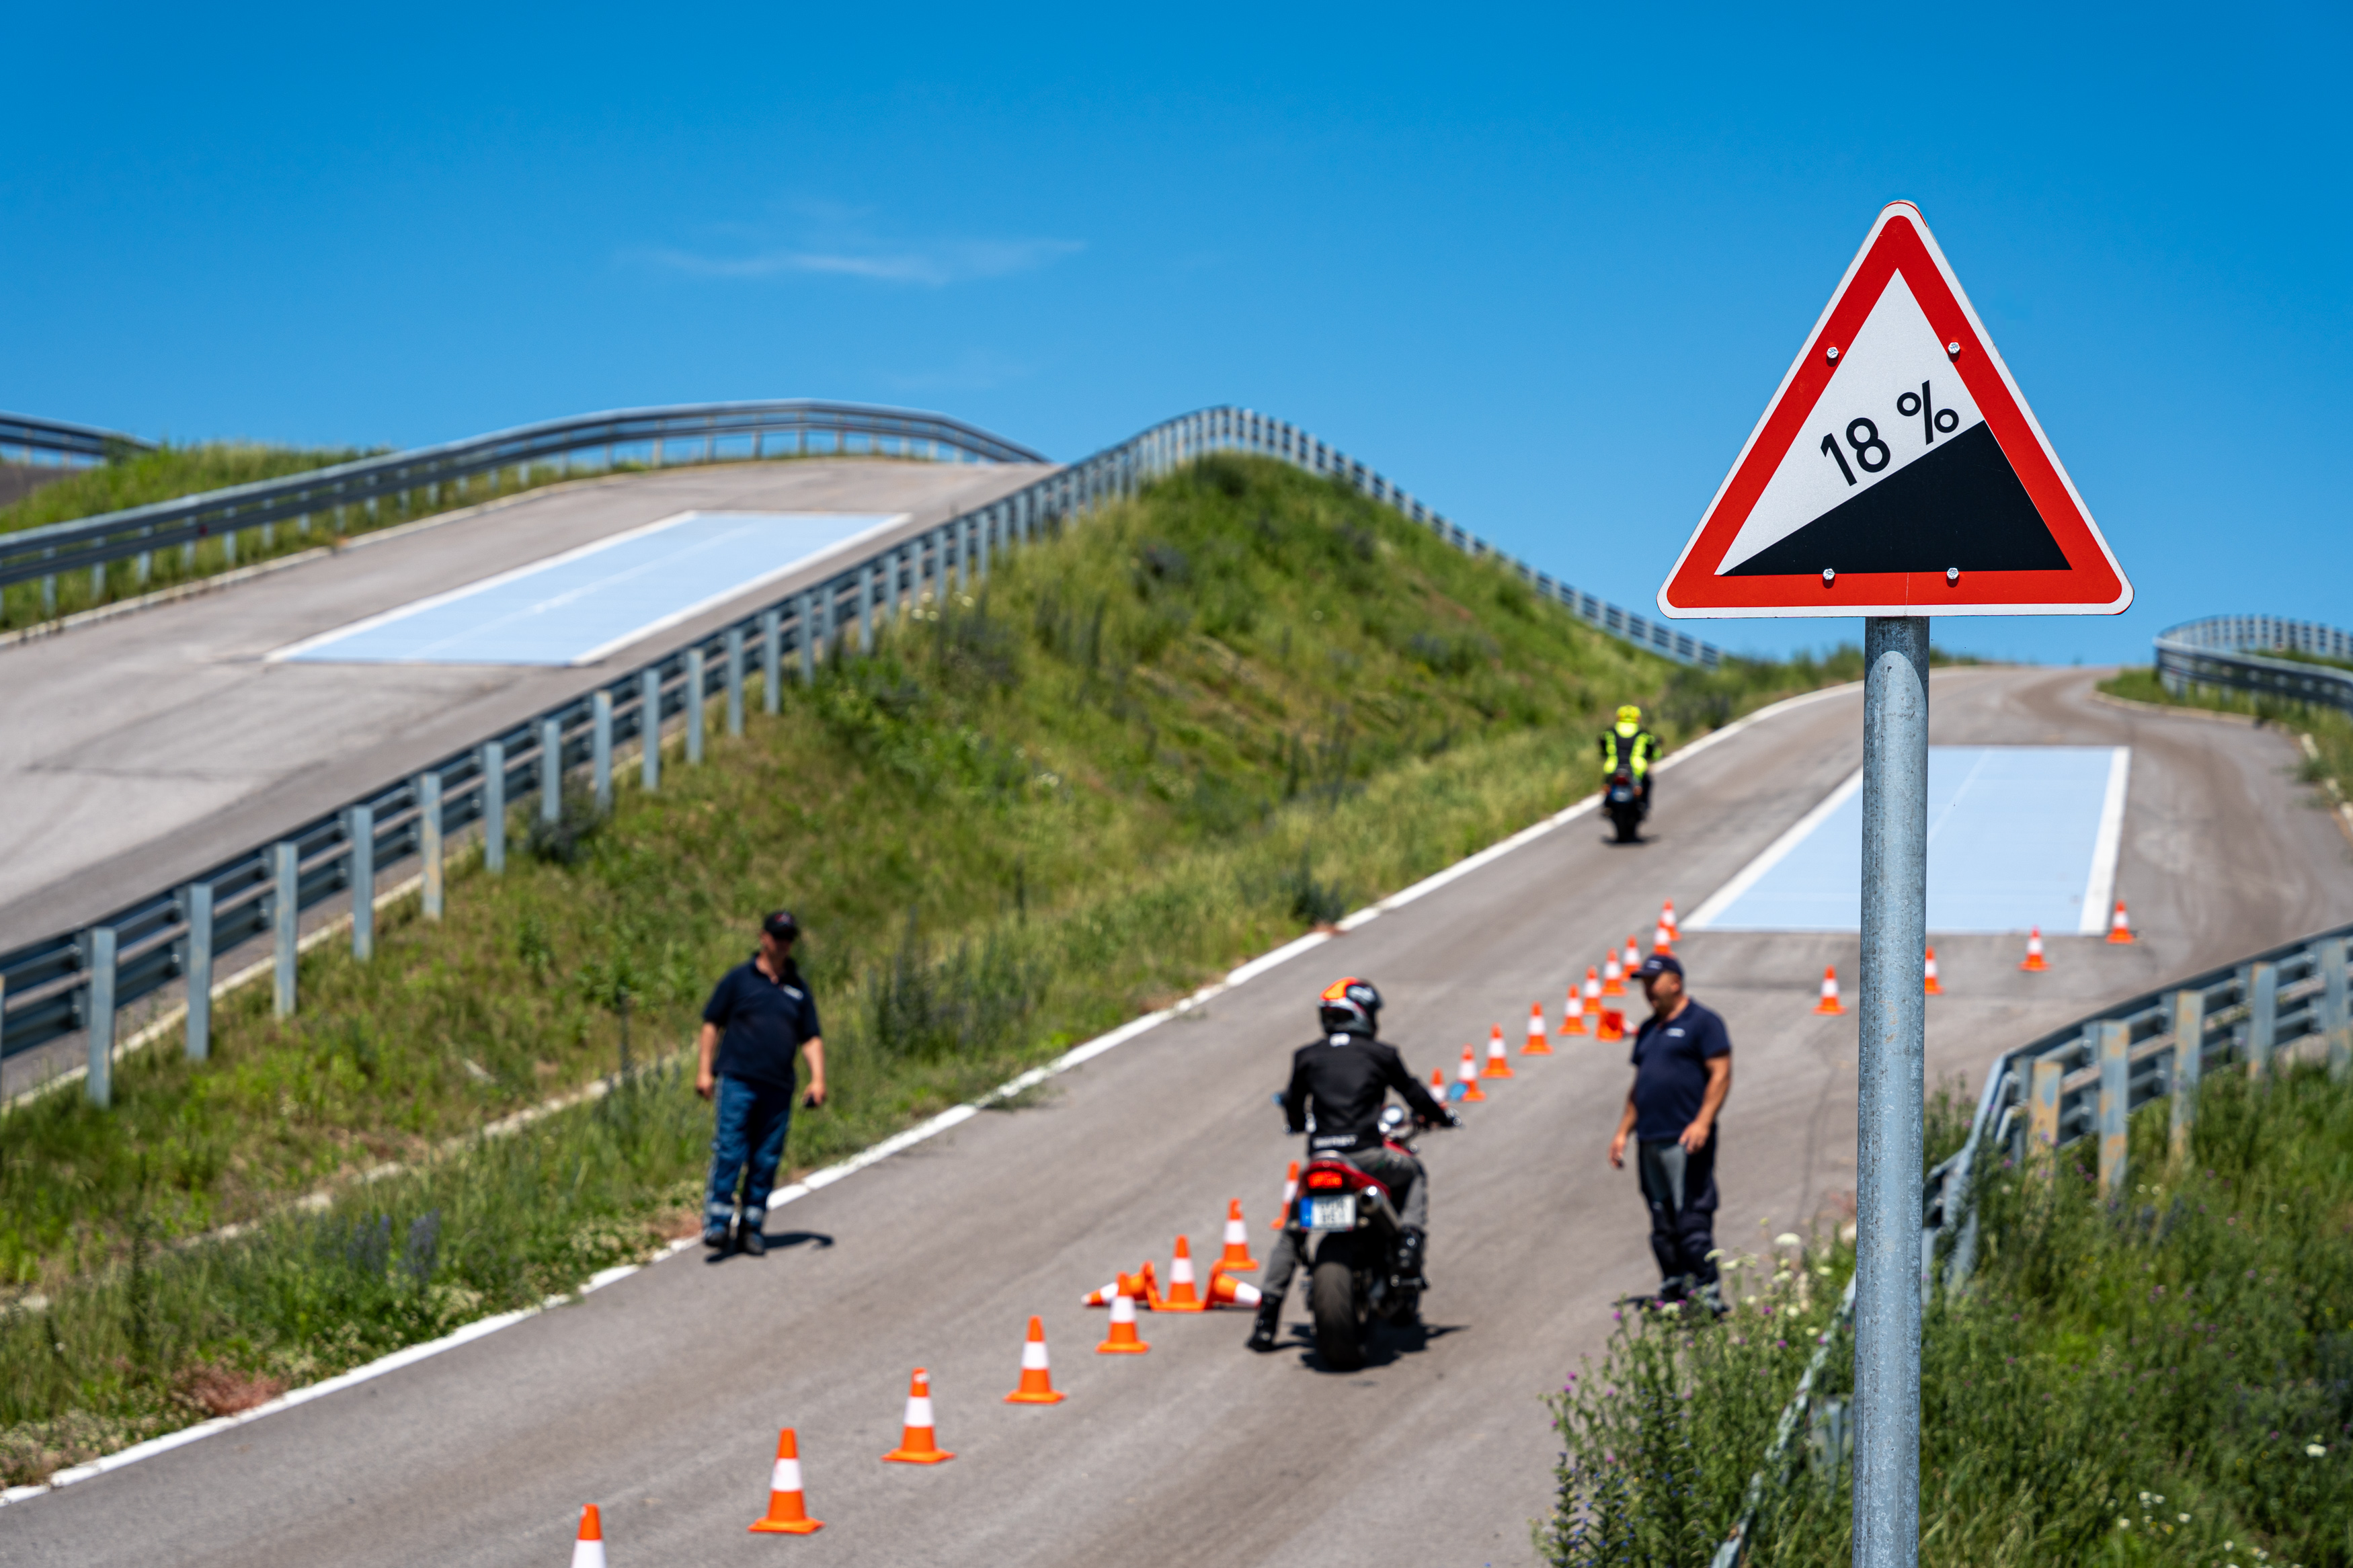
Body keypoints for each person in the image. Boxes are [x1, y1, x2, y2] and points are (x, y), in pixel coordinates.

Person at [1247, 977, 1456, 1352]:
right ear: (1363, 1015)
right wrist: (1439, 1116)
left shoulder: (1306, 1056)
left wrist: (1298, 1123)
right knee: (1413, 1173)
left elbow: (1293, 1104)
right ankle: (1409, 1243)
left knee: (1293, 1232)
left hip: (1322, 1161)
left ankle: (1266, 1321)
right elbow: (1413, 1093)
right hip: (1367, 1158)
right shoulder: (1381, 1054)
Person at [697, 909, 826, 1255]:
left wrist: (818, 1080)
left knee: (766, 1157)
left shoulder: (798, 989)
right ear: (763, 938)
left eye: (788, 938)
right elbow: (712, 1023)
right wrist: (704, 1071)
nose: (783, 943)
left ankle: (752, 1227)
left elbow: (810, 1038)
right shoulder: (739, 980)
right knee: (729, 1150)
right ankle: (718, 1224)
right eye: (777, 936)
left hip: (778, 1086)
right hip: (738, 1080)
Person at [1607, 952, 1731, 1309]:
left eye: (1653, 981)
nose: (1647, 989)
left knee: (1691, 1219)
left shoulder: (1703, 1023)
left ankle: (1707, 1294)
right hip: (1649, 1137)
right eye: (1644, 983)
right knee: (1662, 1223)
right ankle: (1675, 1288)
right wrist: (1622, 1132)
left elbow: (1721, 1073)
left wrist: (1704, 1120)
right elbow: (1639, 1087)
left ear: (1675, 983)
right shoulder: (1649, 1029)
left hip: (1685, 1137)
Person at [1599, 704, 1663, 810]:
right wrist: (1658, 755)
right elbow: (1652, 749)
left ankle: (1606, 805)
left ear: (1618, 717)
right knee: (1647, 782)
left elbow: (1602, 745)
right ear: (1638, 718)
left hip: (1613, 767)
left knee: (1607, 784)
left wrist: (1604, 754)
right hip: (1636, 768)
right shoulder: (1643, 734)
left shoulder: (1610, 733)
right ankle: (1643, 805)